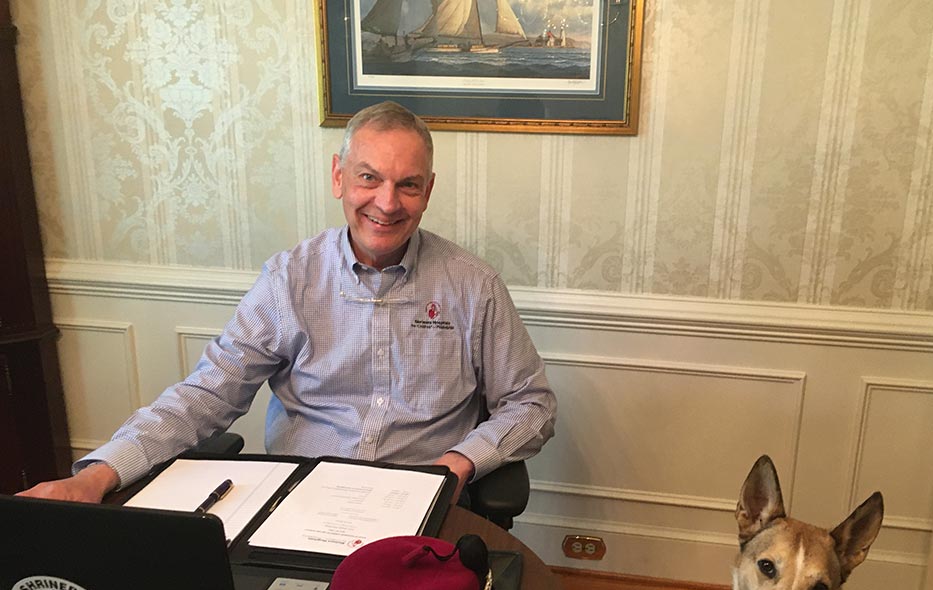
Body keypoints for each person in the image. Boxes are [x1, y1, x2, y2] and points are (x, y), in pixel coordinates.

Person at [19, 101, 556, 505]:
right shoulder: (288, 279)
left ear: (429, 190)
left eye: (408, 185)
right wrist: (96, 474)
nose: (387, 203)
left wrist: (459, 464)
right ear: (338, 177)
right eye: (369, 178)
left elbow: (531, 405)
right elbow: (206, 395)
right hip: (302, 499)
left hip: (421, 499)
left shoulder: (473, 285)